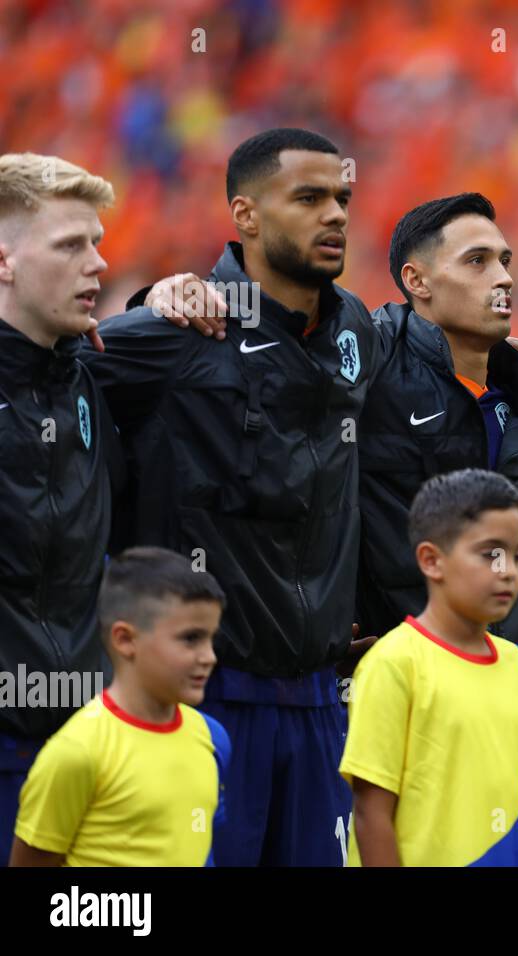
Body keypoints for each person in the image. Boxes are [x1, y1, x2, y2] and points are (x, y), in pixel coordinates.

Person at [82, 128, 379, 866]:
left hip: (317, 704)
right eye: (308, 198)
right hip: (203, 696)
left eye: (341, 198)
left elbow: (458, 367)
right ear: (245, 216)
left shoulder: (359, 333)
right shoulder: (176, 333)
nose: (335, 214)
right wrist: (156, 295)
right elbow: (51, 370)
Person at [356, 193, 518, 656]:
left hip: (509, 684)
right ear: (416, 280)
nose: (504, 278)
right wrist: (177, 294)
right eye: (477, 261)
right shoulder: (371, 361)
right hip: (404, 684)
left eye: (505, 261)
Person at [341, 469, 518, 866]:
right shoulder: (393, 664)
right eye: (491, 554)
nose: (508, 571)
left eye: (516, 555)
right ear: (431, 560)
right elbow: (372, 814)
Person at [0, 153, 119, 859]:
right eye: (71, 245)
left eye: (98, 243)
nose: (97, 263)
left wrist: (178, 294)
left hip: (84, 743)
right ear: (5, 263)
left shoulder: (92, 376)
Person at [9, 548, 228, 867]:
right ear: (125, 640)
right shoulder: (77, 752)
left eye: (211, 639)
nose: (209, 656)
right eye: (191, 638)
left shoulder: (211, 737)